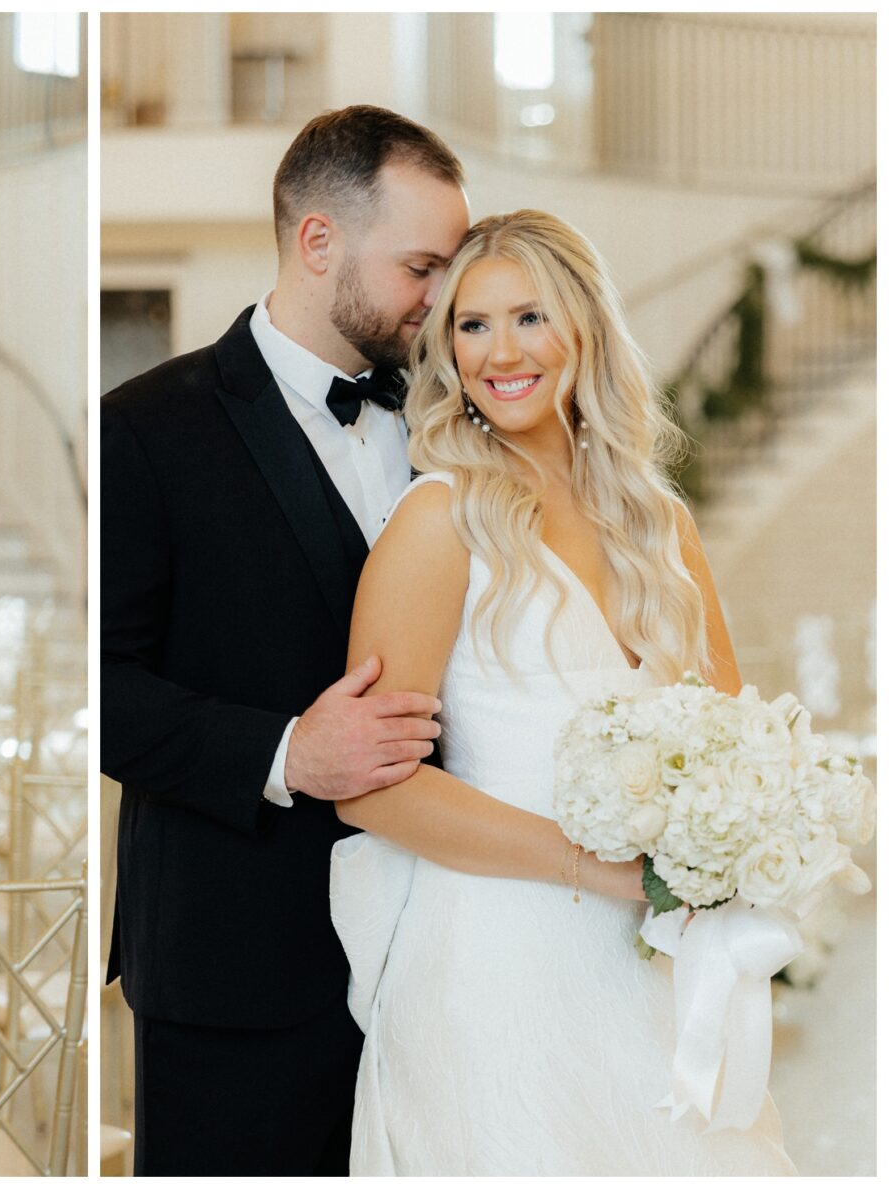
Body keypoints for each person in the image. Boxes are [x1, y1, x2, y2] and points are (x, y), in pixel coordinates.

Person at [327, 209, 793, 1174]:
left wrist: (724, 857)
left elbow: (737, 743)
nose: (502, 351)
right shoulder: (437, 520)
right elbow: (372, 782)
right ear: (447, 351)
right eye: (472, 324)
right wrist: (594, 869)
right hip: (498, 969)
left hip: (655, 966)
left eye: (530, 317)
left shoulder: (658, 522)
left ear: (584, 327)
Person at [98, 105, 469, 1174]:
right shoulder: (147, 429)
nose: (439, 298)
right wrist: (283, 753)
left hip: (433, 956)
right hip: (238, 967)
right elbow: (104, 687)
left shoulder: (452, 421)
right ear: (318, 242)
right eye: (419, 265)